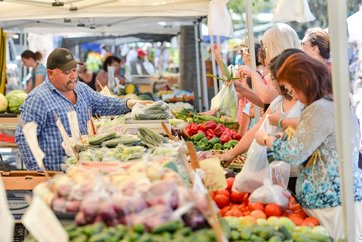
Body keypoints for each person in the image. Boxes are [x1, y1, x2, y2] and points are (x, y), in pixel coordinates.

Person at [254, 52, 362, 240]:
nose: (293, 94)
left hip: (329, 203)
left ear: (304, 80)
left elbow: (294, 154)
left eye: (292, 88)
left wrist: (267, 139)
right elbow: (320, 145)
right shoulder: (333, 103)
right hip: (339, 200)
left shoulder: (319, 108)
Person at [15, 48, 149, 171]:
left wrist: (130, 104)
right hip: (54, 175)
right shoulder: (38, 98)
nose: (73, 75)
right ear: (51, 73)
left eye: (74, 70)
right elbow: (24, 137)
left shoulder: (82, 89)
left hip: (82, 172)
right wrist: (37, 171)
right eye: (67, 72)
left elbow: (105, 103)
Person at [220, 49, 304, 168]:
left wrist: (268, 137)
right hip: (278, 169)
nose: (272, 83)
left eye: (274, 79)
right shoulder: (278, 101)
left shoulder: (305, 102)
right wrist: (232, 153)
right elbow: (257, 128)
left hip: (296, 170)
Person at [238, 23, 301, 110]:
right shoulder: (278, 69)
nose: (263, 50)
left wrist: (253, 74)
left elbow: (267, 97)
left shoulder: (290, 69)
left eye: (265, 47)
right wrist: (240, 88)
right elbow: (264, 101)